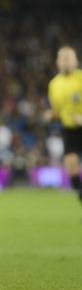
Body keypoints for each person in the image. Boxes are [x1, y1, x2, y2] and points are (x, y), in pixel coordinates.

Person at [45, 46, 82, 205]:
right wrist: (51, 115)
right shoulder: (54, 84)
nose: (66, 61)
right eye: (63, 58)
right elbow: (57, 110)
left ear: (75, 61)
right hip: (69, 129)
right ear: (58, 62)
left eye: (69, 58)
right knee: (71, 164)